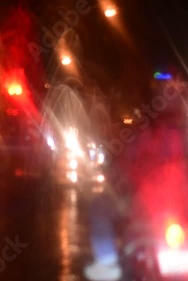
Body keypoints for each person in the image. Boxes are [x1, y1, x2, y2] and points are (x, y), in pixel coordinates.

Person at [84, 80, 188, 281]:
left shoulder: (171, 136)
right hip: (144, 204)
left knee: (100, 206)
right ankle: (107, 264)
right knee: (99, 205)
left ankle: (107, 265)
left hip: (169, 204)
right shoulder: (141, 136)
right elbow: (121, 167)